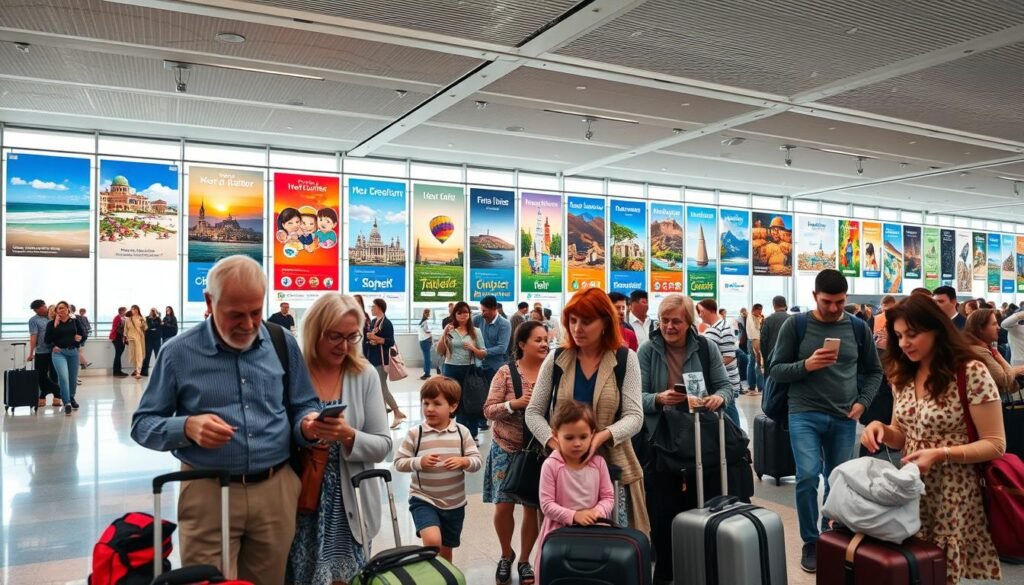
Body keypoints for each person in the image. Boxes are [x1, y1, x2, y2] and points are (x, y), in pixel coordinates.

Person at [131, 255, 323, 585]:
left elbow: (303, 404)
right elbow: (142, 424)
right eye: (235, 314)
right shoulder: (178, 353)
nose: (248, 324)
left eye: (256, 312)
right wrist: (186, 427)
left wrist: (308, 425)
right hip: (208, 491)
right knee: (208, 581)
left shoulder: (281, 343)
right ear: (209, 302)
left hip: (275, 490)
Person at [862, 295, 1005, 584]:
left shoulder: (970, 372)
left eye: (913, 335)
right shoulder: (902, 373)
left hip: (953, 493)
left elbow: (995, 443)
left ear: (937, 329)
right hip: (911, 490)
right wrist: (880, 428)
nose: (904, 343)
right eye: (899, 336)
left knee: (940, 574)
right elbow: (902, 435)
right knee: (912, 571)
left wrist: (941, 453)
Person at [767, 269, 883, 573]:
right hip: (803, 412)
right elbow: (775, 369)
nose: (834, 308)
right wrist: (807, 364)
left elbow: (874, 371)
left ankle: (829, 531)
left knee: (838, 479)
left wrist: (863, 402)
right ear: (814, 297)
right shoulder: (797, 325)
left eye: (840, 302)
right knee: (807, 475)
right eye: (827, 302)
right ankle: (810, 540)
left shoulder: (857, 327)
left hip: (844, 416)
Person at [286, 293, 392, 585]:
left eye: (352, 336)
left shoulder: (364, 375)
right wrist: (306, 431)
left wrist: (348, 436)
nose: (344, 346)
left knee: (343, 578)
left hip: (347, 503)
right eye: (335, 336)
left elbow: (383, 444)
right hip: (299, 498)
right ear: (315, 331)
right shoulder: (292, 373)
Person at [525, 287, 649, 534]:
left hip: (615, 470)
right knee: (568, 545)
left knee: (614, 543)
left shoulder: (625, 359)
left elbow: (635, 416)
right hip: (564, 474)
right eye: (572, 321)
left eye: (586, 321)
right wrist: (555, 443)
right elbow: (533, 412)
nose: (577, 328)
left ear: (605, 322)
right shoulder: (557, 359)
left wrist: (601, 437)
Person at [638, 294, 734, 583]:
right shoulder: (647, 351)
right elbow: (634, 398)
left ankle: (699, 569)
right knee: (662, 511)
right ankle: (665, 573)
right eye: (665, 320)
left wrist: (718, 397)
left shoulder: (706, 347)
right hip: (660, 443)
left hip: (699, 439)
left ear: (689, 322)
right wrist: (658, 398)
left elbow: (726, 387)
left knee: (701, 505)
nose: (669, 326)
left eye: (676, 321)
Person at [483, 321, 547, 585]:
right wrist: (513, 404)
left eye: (546, 339)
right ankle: (506, 554)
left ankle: (524, 560)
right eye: (538, 340)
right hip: (505, 448)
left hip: (537, 451)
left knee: (531, 507)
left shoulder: (551, 372)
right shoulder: (506, 373)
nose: (544, 344)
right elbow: (488, 410)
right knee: (504, 505)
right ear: (522, 344)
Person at [393, 376, 482, 563]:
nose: (429, 409)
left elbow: (477, 461)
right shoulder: (415, 434)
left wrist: (464, 462)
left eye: (436, 403)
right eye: (425, 403)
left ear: (452, 406)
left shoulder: (462, 432)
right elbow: (399, 462)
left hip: (454, 504)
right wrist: (419, 462)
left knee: (446, 551)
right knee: (433, 542)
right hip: (423, 499)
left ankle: (443, 577)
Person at [534, 401, 615, 585]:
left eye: (583, 437)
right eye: (569, 438)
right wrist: (574, 515)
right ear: (556, 436)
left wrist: (597, 513)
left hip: (594, 530)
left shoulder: (599, 463)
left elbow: (608, 497)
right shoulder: (551, 465)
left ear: (592, 435)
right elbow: (546, 504)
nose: (577, 443)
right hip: (558, 532)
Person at [437, 301, 487, 440]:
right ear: (454, 315)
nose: (463, 315)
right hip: (451, 368)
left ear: (470, 314)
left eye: (466, 312)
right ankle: (456, 433)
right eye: (459, 313)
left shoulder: (475, 331)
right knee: (452, 402)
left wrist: (473, 348)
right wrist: (444, 334)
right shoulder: (450, 330)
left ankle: (471, 435)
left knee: (469, 402)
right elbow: (439, 351)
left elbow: (483, 354)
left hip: (468, 369)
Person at [696, 298, 741, 427]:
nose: (700, 315)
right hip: (723, 381)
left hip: (726, 381)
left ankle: (737, 442)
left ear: (710, 310)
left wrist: (713, 367)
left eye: (701, 311)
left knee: (729, 417)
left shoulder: (724, 328)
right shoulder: (717, 327)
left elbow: (729, 356)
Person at [365, 298, 407, 429]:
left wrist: (376, 339)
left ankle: (397, 412)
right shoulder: (373, 322)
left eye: (373, 307)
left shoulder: (387, 323)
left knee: (382, 388)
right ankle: (383, 415)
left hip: (381, 360)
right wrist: (372, 341)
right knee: (377, 389)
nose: (371, 309)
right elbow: (372, 339)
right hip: (372, 358)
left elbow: (390, 341)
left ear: (379, 308)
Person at [473, 296, 512, 433]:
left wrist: (483, 352)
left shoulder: (504, 324)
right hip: (479, 365)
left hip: (495, 367)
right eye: (481, 310)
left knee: (492, 396)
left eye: (485, 311)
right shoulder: (479, 319)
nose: (482, 313)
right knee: (478, 394)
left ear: (494, 309)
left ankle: (489, 419)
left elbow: (502, 347)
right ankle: (480, 420)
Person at [964, 309, 1021, 395]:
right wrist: (1017, 370)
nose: (998, 327)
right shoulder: (980, 352)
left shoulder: (988, 349)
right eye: (994, 324)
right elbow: (1003, 379)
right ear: (980, 329)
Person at [44, 301, 84, 415]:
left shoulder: (75, 321)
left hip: (73, 353)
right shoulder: (51, 324)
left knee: (72, 379)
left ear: (68, 309)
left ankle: (71, 397)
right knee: (63, 377)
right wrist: (53, 345)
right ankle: (66, 402)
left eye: (63, 308)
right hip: (59, 353)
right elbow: (47, 340)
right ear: (56, 311)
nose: (60, 310)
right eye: (58, 308)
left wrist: (80, 338)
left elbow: (83, 334)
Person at [28, 300, 61, 407]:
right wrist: (31, 352)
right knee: (40, 375)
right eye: (35, 310)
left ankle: (56, 398)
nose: (37, 311)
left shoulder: (53, 315)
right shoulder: (33, 320)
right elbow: (33, 336)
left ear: (44, 306)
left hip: (55, 351)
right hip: (41, 351)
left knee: (54, 374)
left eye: (39, 309)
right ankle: (56, 390)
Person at [758, 295, 789, 363]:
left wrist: (765, 358)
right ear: (785, 304)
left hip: (772, 358)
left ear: (774, 305)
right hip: (789, 358)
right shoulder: (792, 319)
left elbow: (763, 341)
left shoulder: (768, 320)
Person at [745, 303, 765, 395]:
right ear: (754, 310)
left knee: (755, 363)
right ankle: (757, 386)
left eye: (761, 310)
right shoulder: (751, 317)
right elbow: (755, 331)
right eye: (759, 310)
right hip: (753, 341)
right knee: (755, 363)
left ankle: (755, 385)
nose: (760, 312)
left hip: (757, 341)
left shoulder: (758, 317)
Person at [123, 305, 147, 380]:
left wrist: (143, 324)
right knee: (133, 355)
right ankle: (136, 370)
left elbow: (146, 328)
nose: (133, 310)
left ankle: (138, 372)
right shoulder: (128, 319)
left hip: (139, 338)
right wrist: (125, 337)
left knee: (139, 354)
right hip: (131, 339)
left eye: (135, 309)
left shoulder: (142, 317)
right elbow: (125, 329)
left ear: (137, 310)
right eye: (132, 309)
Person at [141, 308, 162, 377]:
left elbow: (159, 327)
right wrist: (153, 327)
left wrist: (152, 327)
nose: (153, 312)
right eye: (151, 311)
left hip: (157, 339)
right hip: (149, 339)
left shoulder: (158, 319)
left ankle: (159, 371)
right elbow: (148, 327)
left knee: (157, 355)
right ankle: (144, 371)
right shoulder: (147, 318)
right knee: (147, 355)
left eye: (154, 311)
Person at [109, 306, 127, 377]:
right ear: (121, 311)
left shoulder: (121, 318)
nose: (125, 312)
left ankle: (118, 371)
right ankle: (117, 371)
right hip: (117, 338)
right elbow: (119, 329)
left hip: (119, 338)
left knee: (118, 355)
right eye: (125, 311)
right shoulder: (118, 318)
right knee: (118, 355)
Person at [417, 308, 433, 380]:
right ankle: (427, 373)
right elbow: (426, 330)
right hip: (424, 340)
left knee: (426, 357)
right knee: (426, 357)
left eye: (428, 313)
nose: (427, 314)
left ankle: (427, 373)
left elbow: (426, 330)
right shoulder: (424, 321)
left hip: (424, 341)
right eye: (426, 313)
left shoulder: (424, 322)